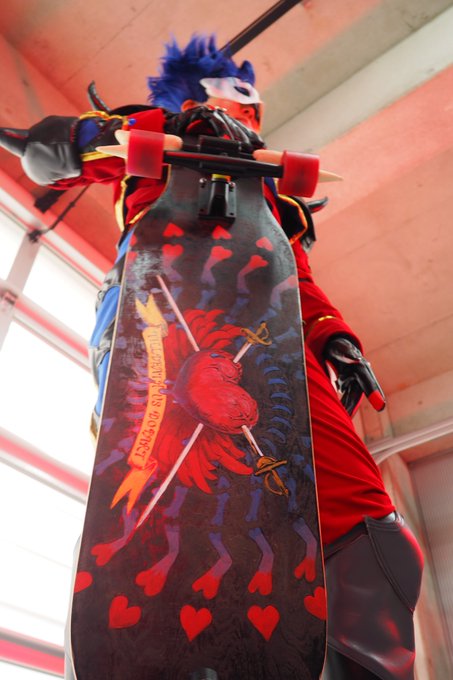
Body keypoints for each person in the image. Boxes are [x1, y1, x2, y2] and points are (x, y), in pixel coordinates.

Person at [0, 35, 423, 680]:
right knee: (150, 482)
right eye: (241, 93)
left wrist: (334, 338)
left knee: (362, 511)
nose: (253, 111)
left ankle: (354, 645)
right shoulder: (153, 133)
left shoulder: (271, 191)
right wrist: (99, 137)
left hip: (267, 318)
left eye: (257, 105)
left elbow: (296, 272)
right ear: (202, 87)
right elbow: (69, 153)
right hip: (164, 301)